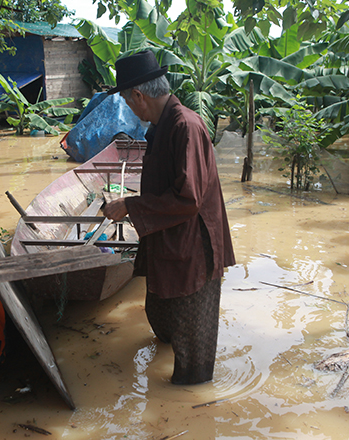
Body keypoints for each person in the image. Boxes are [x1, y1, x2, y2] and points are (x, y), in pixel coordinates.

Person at [103, 50, 236, 385]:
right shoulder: (162, 126)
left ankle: (192, 410)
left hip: (192, 251)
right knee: (159, 313)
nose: (130, 109)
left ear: (138, 95)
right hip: (170, 243)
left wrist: (131, 206)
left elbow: (188, 197)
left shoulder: (186, 126)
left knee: (193, 355)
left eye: (128, 101)